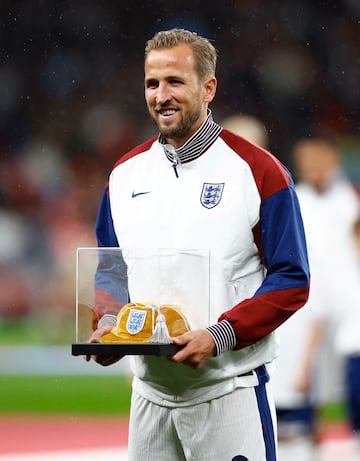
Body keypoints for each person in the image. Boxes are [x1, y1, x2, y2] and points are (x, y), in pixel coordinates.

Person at [86, 28, 310, 461]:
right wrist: (109, 324)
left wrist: (220, 334)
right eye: (152, 83)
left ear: (208, 88)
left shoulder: (258, 171)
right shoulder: (124, 175)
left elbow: (291, 279)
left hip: (228, 391)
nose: (161, 95)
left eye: (175, 82)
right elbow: (112, 268)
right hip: (149, 397)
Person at [272, 137, 360, 461]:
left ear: (331, 159)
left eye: (315, 160)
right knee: (303, 371)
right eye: (304, 162)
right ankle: (307, 434)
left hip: (348, 300)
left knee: (349, 367)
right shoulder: (300, 199)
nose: (309, 168)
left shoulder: (346, 200)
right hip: (309, 299)